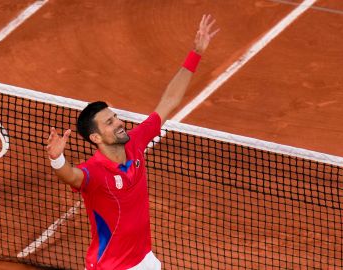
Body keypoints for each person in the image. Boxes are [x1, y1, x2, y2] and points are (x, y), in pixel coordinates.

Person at [45, 14, 219, 270]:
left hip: (144, 260)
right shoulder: (94, 172)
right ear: (95, 137)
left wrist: (195, 53)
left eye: (115, 117)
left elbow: (168, 102)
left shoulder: (135, 142)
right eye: (109, 122)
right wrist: (56, 158)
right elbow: (70, 176)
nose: (118, 123)